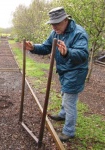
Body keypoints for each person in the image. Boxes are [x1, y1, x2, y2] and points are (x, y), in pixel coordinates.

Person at [25, 7, 89, 142]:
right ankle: (62, 114)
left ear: (66, 20)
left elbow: (83, 55)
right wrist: (34, 47)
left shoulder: (79, 33)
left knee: (69, 101)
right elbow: (47, 47)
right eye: (52, 24)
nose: (54, 27)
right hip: (64, 70)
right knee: (65, 94)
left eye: (57, 23)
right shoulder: (55, 32)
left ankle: (69, 131)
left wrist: (68, 52)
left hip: (76, 71)